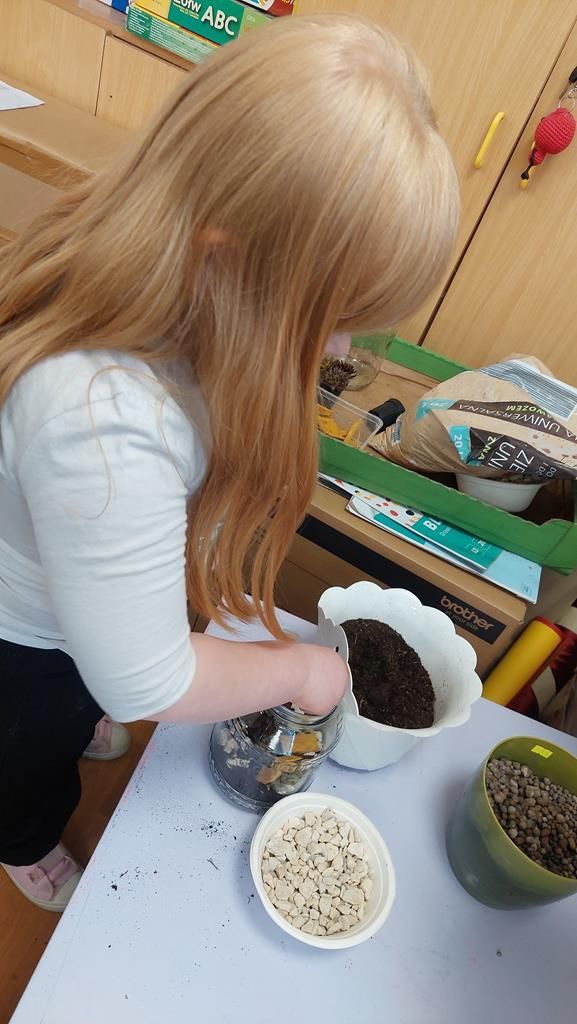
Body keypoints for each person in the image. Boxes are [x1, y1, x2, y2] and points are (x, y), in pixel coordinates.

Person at [0, 13, 458, 911]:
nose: (341, 347)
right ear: (224, 259)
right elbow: (148, 678)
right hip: (21, 642)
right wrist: (298, 671)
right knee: (26, 751)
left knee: (83, 686)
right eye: (330, 320)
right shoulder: (102, 416)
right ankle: (21, 837)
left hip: (71, 610)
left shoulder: (164, 291)